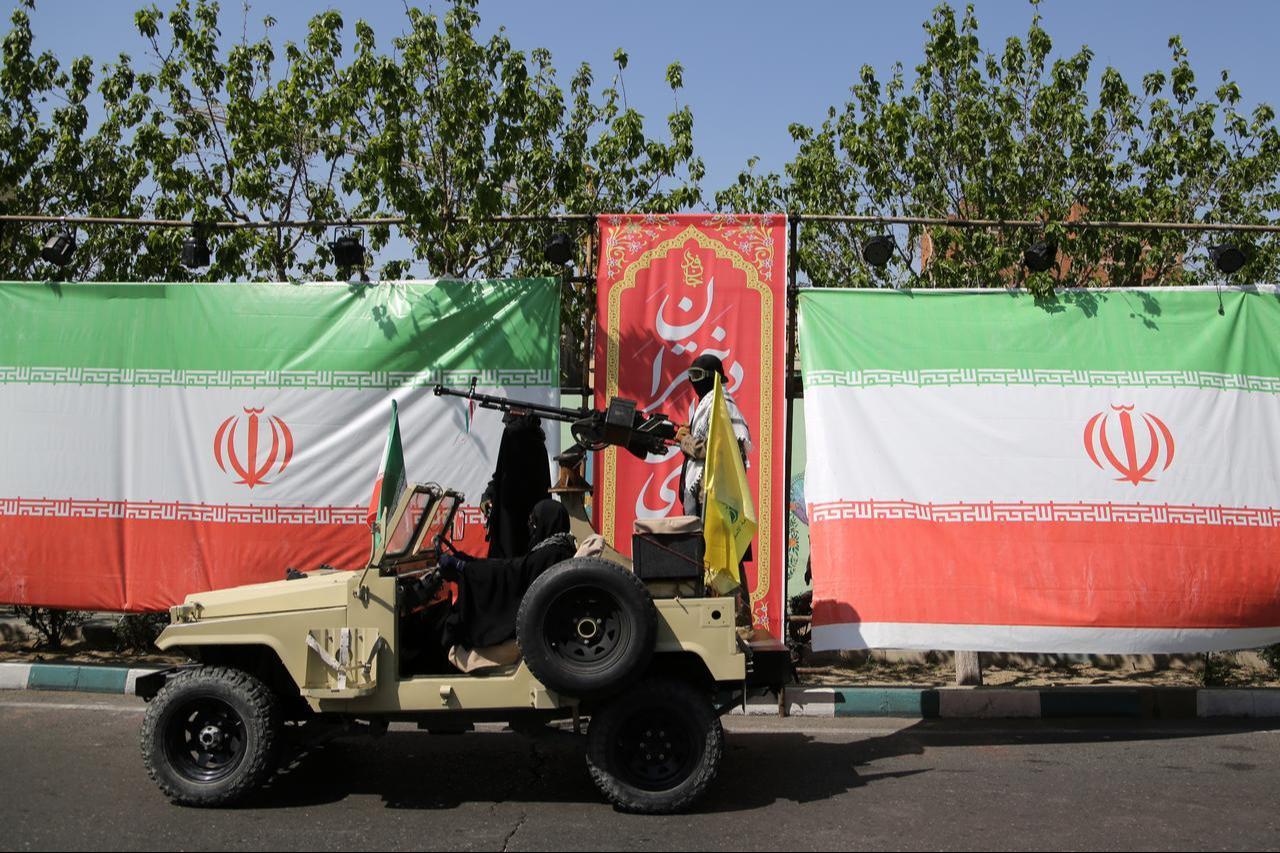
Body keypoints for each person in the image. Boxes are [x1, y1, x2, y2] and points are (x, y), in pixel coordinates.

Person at [438, 499, 576, 650]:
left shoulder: (550, 554)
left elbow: (511, 573)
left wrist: (464, 567)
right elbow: (512, 567)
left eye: (534, 521)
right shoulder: (558, 548)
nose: (530, 526)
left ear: (547, 521)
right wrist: (468, 561)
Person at [677, 354, 752, 517]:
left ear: (713, 378)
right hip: (704, 497)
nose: (693, 381)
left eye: (697, 376)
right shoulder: (709, 404)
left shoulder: (721, 405)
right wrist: (690, 433)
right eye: (691, 376)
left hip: (715, 498)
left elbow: (716, 447)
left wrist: (685, 440)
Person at [481, 411, 552, 558]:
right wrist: (488, 495)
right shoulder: (536, 443)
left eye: (508, 424)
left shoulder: (515, 437)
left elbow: (505, 477)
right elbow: (501, 475)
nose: (505, 427)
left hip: (517, 531)